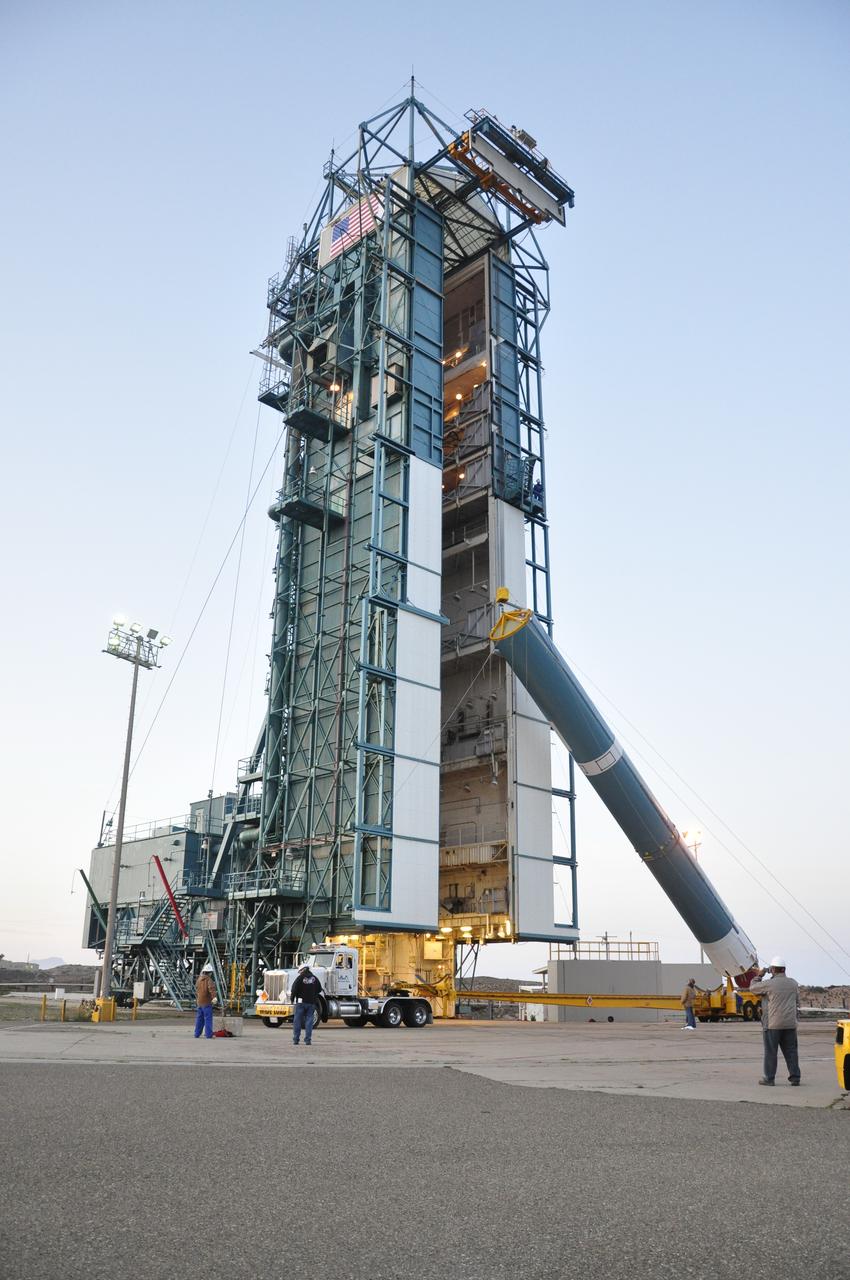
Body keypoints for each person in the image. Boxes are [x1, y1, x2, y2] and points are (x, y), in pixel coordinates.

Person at [750, 956, 801, 1086]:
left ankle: (769, 1078)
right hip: (790, 1024)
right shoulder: (793, 983)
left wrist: (759, 975)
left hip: (772, 1024)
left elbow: (753, 988)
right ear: (784, 969)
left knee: (771, 1052)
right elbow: (797, 1001)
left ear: (772, 969)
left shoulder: (769, 984)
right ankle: (795, 1077)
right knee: (791, 1052)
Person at [290, 962, 323, 1046]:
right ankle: (308, 1040)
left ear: (303, 970)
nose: (299, 973)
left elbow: (294, 989)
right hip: (311, 1003)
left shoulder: (299, 978)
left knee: (297, 1021)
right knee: (309, 1021)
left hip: (300, 1003)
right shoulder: (315, 978)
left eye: (300, 971)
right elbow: (319, 989)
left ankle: (296, 1039)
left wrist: (292, 999)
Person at [194, 963, 216, 1039]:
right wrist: (214, 998)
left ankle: (197, 1034)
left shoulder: (199, 980)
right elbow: (211, 989)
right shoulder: (209, 980)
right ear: (210, 973)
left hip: (199, 1002)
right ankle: (209, 1035)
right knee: (208, 1019)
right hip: (206, 1002)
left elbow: (196, 989)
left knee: (199, 1019)